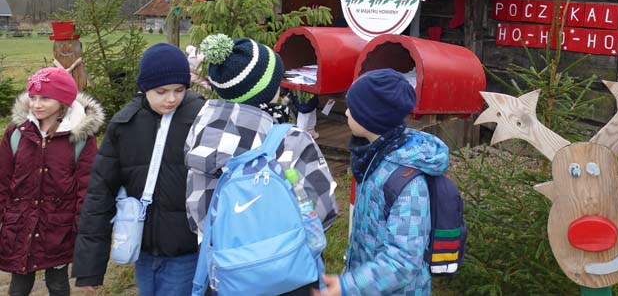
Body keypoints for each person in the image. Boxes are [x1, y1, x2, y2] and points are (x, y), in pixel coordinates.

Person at [185, 34, 338, 294]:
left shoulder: (200, 134)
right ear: (268, 90)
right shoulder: (291, 139)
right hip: (290, 273)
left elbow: (197, 213)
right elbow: (324, 208)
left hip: (229, 275)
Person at [72, 43, 205, 295]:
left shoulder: (201, 118)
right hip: (141, 248)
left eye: (179, 90)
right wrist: (90, 266)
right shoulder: (125, 124)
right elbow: (100, 193)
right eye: (161, 91)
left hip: (185, 251)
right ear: (144, 88)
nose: (171, 98)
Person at [318, 68, 449, 296]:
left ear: (371, 118)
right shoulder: (374, 155)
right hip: (370, 285)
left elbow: (404, 261)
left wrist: (350, 285)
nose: (346, 112)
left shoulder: (408, 183)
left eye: (353, 108)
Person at [0, 67, 105, 296]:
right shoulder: (16, 133)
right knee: (18, 286)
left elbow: (86, 189)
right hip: (19, 226)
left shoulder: (80, 138)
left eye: (45, 98)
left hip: (58, 229)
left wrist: (82, 233)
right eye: (33, 97)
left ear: (63, 101)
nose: (36, 104)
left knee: (57, 284)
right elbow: (2, 181)